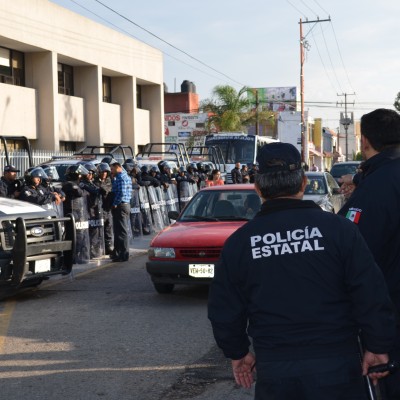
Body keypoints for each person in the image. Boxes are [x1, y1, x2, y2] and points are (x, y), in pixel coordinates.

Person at [208, 142, 397, 400]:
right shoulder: (339, 230)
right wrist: (377, 345)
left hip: (276, 371)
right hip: (338, 367)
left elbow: (224, 308)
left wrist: (238, 352)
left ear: (258, 187)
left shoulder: (240, 243)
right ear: (304, 183)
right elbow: (370, 292)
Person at [338, 108, 400, 399]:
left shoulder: (374, 188)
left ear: (364, 141)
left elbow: (353, 255)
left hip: (390, 317)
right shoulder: (372, 182)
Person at [110, 161, 132, 262]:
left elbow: (121, 193)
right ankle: (118, 253)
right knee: (119, 230)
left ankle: (124, 254)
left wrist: (115, 203)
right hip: (125, 205)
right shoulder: (126, 176)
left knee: (122, 231)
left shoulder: (121, 177)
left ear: (117, 167)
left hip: (121, 206)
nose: (111, 171)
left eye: (112, 169)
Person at [96, 162, 114, 255]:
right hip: (98, 209)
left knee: (108, 228)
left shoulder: (109, 181)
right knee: (98, 229)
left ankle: (108, 247)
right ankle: (99, 247)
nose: (104, 174)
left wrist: (102, 186)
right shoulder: (95, 181)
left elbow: (107, 190)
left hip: (107, 208)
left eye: (106, 172)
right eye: (102, 172)